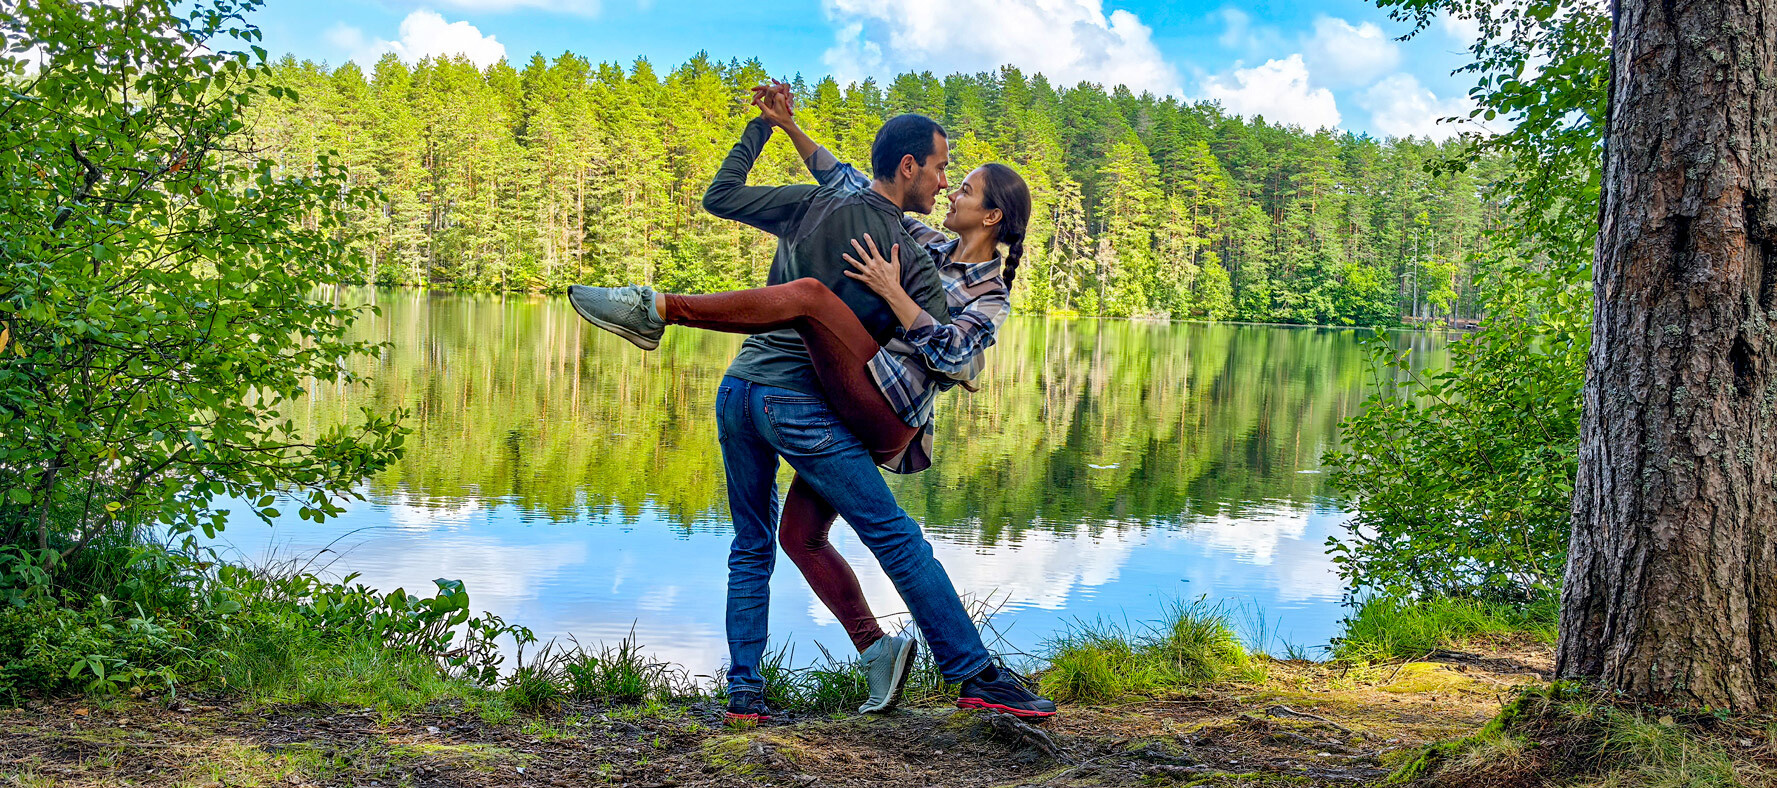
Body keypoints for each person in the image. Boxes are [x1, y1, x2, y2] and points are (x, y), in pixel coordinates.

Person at [565, 87, 1057, 722]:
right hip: (839, 394)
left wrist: (895, 295)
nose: (950, 189)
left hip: (887, 411)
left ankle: (658, 308)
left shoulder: (985, 291)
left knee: (810, 301)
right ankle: (801, 677)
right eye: (947, 176)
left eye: (964, 188)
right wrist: (789, 128)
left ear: (991, 218)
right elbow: (855, 180)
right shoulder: (921, 240)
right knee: (794, 536)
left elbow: (958, 357)